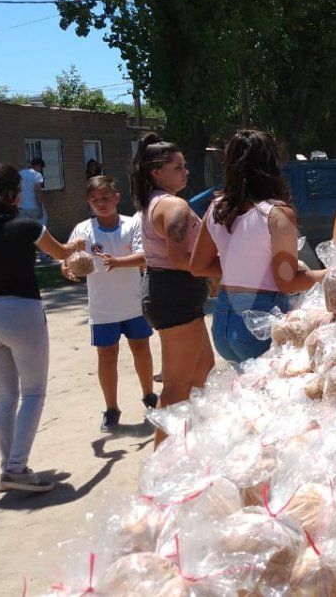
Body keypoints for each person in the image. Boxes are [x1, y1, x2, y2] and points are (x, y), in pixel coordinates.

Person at [0, 161, 83, 493]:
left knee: (5, 395)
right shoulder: (26, 226)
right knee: (34, 392)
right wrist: (77, 246)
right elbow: (61, 253)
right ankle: (16, 468)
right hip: (22, 311)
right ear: (14, 194)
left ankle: (8, 466)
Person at [191, 130, 326, 364]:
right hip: (259, 320)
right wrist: (327, 274)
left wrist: (241, 266)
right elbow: (287, 281)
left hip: (223, 319)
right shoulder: (277, 213)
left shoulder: (215, 208)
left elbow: (198, 266)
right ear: (272, 164)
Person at [130, 133, 214, 446]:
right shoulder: (172, 206)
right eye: (177, 167)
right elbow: (180, 259)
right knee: (177, 386)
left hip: (175, 293)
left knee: (203, 372)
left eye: (184, 166)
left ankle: (192, 444)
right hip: (174, 293)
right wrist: (222, 267)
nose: (186, 172)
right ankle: (160, 465)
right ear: (157, 173)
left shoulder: (158, 202)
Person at [63, 176, 156, 432]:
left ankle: (149, 395)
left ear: (117, 197)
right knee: (107, 357)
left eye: (105, 198)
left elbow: (144, 257)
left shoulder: (132, 223)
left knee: (141, 350)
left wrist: (116, 261)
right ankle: (112, 408)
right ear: (88, 203)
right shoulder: (83, 229)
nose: (101, 203)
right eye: (95, 200)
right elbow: (69, 258)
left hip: (133, 304)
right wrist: (68, 268)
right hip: (102, 308)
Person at [18, 157, 45, 222]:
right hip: (33, 208)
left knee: (23, 230)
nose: (41, 170)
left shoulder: (20, 173)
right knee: (34, 230)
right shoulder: (37, 175)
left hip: (21, 207)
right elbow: (38, 192)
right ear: (38, 166)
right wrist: (40, 208)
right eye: (41, 168)